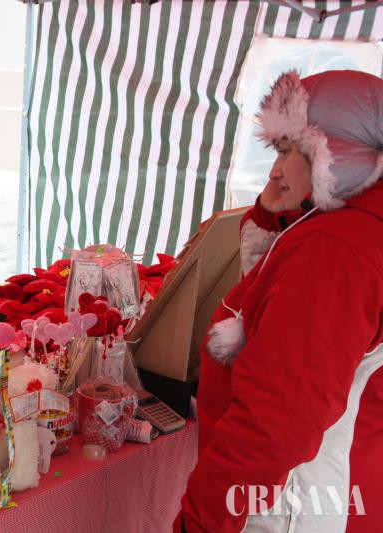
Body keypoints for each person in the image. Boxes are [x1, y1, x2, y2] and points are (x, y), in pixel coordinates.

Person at [178, 70, 383, 532]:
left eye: (289, 151)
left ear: (337, 153)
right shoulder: (359, 230)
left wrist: (200, 524)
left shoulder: (335, 250)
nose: (275, 170)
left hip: (283, 506)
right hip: (322, 491)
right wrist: (278, 217)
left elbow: (274, 421)